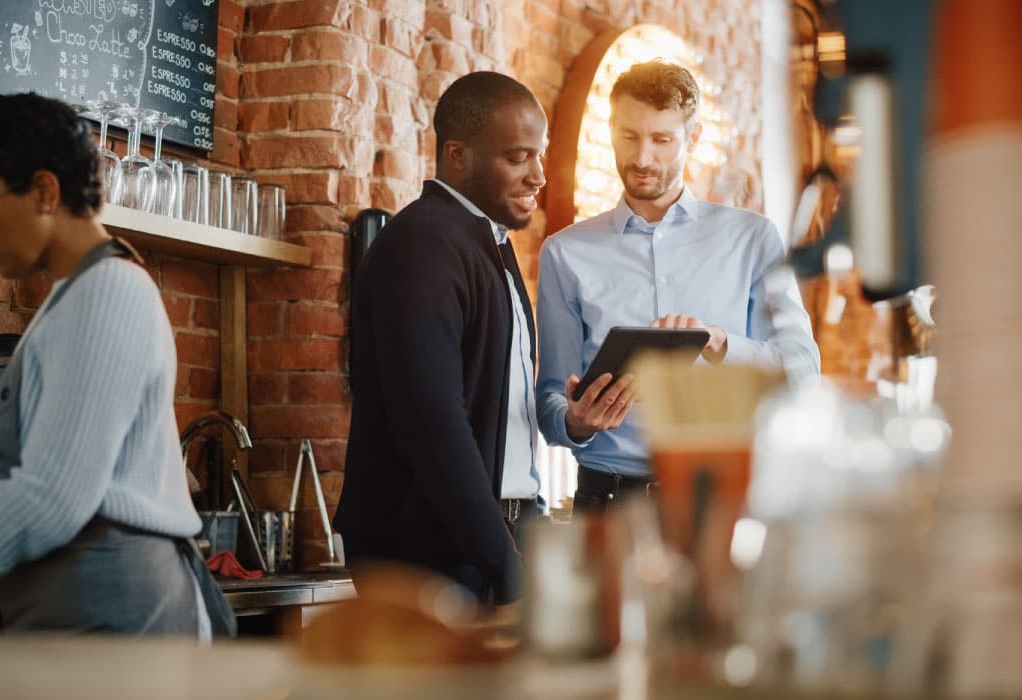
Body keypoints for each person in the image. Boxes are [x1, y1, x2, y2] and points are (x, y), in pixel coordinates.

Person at [0, 93, 232, 637]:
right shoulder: (72, 298)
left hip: (119, 620)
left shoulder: (109, 293)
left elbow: (50, 500)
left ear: (44, 191)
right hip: (82, 619)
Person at [536, 61, 821, 512]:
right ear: (610, 129)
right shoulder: (564, 253)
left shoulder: (753, 238)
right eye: (628, 136)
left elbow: (804, 367)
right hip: (608, 503)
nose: (642, 158)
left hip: (724, 498)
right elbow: (550, 400)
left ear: (695, 136)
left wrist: (722, 343)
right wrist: (576, 421)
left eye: (662, 139)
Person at [334, 72, 550, 605]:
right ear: (457, 155)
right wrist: (503, 560)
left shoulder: (484, 243)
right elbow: (432, 423)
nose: (538, 175)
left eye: (539, 156)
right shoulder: (424, 245)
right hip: (433, 557)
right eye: (518, 157)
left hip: (482, 541)